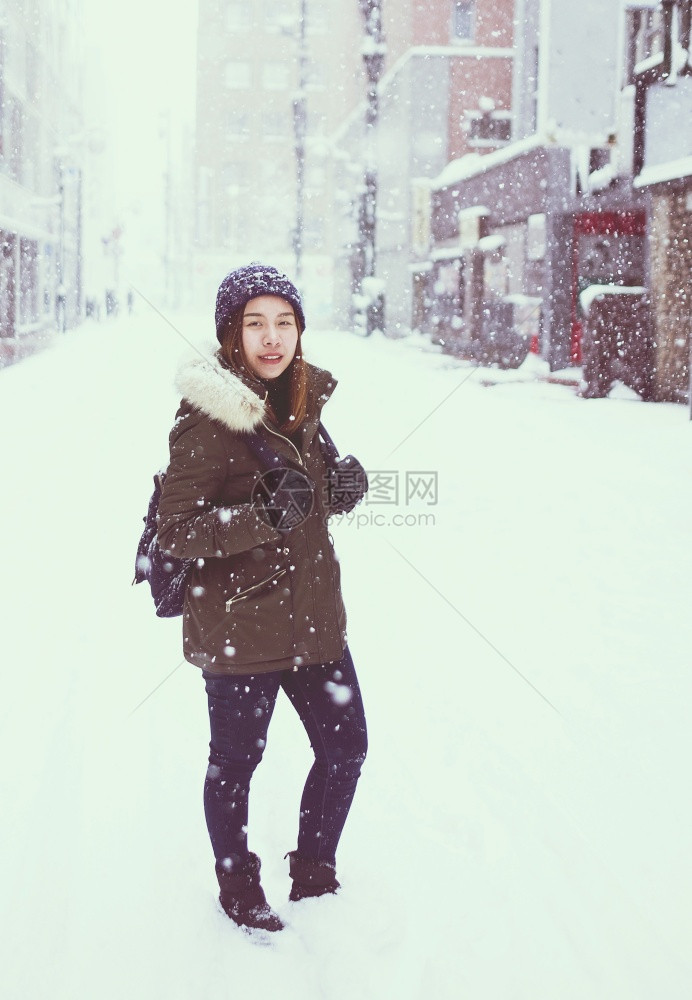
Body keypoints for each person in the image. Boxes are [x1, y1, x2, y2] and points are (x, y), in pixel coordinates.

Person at [157, 263, 368, 934]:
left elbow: (305, 505)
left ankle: (313, 868)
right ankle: (237, 884)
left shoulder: (302, 404)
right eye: (256, 324)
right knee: (236, 765)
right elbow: (177, 529)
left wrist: (339, 492)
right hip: (240, 627)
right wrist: (259, 516)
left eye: (285, 322)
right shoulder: (207, 420)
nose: (272, 338)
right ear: (231, 334)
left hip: (313, 619)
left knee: (347, 750)